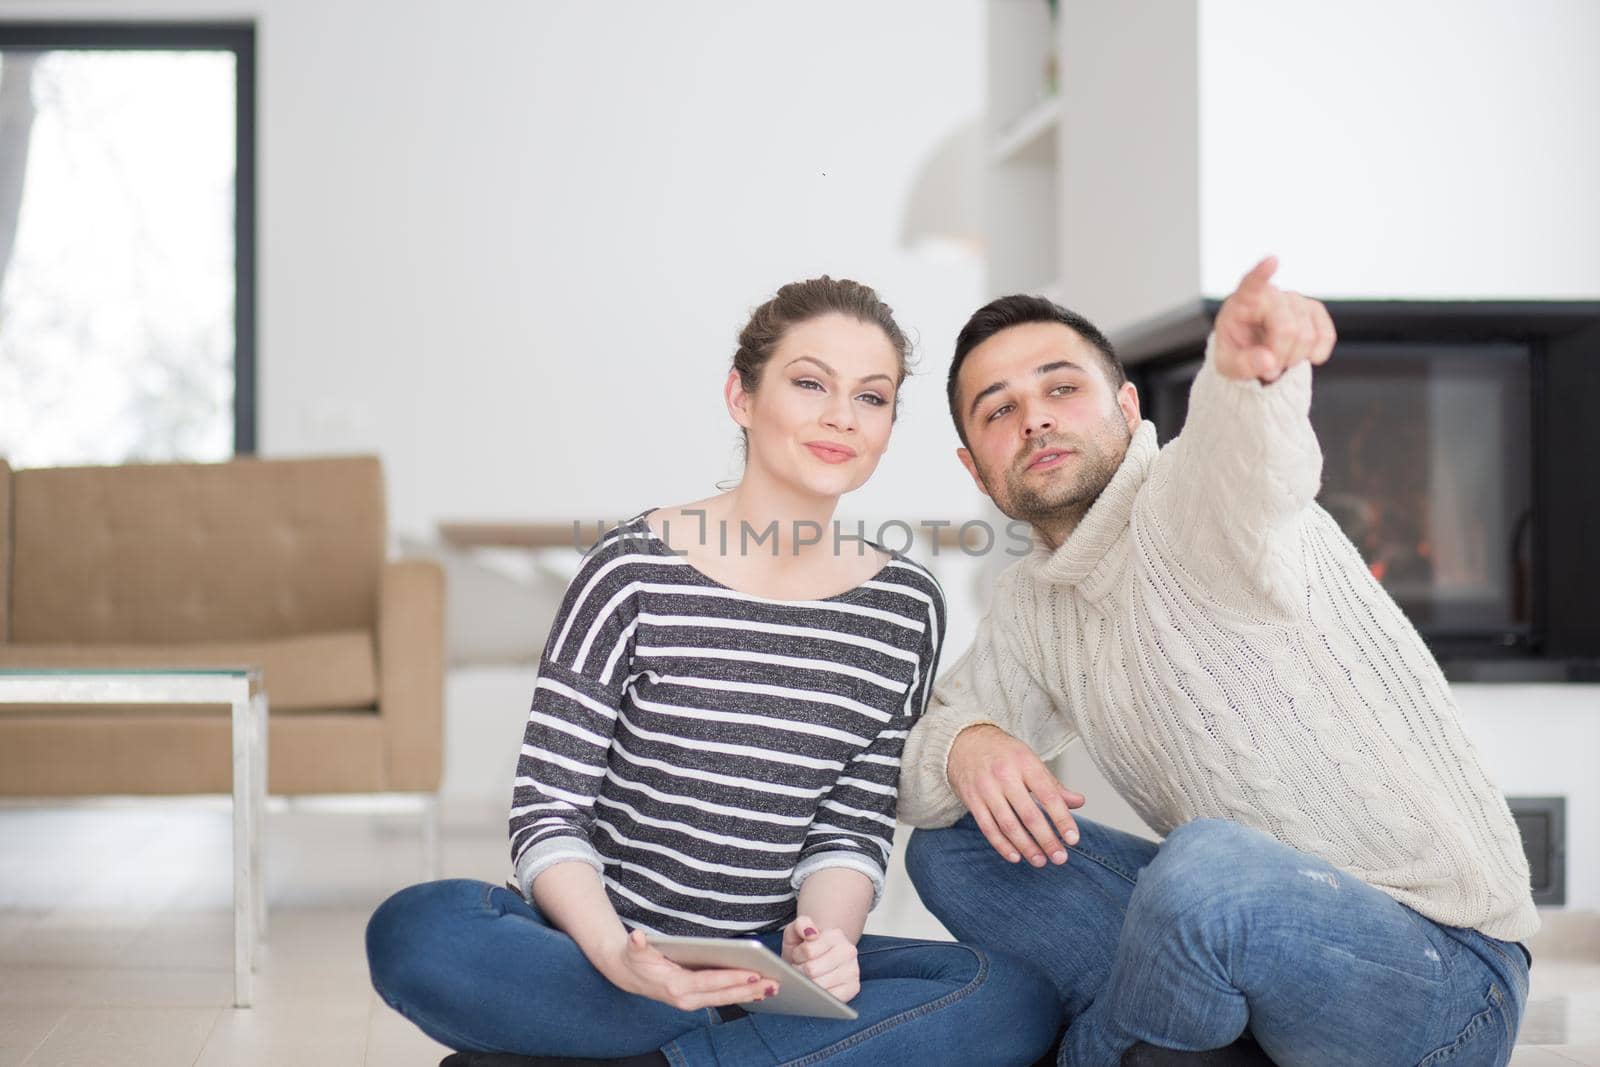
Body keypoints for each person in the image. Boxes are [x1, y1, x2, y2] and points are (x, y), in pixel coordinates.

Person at [366, 276, 1062, 1067]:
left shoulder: (905, 605)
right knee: (415, 928)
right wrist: (617, 952)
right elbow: (548, 811)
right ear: (742, 396)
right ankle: (717, 1045)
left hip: (765, 967)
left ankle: (650, 1055)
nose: (841, 415)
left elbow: (849, 826)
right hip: (603, 950)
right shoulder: (630, 569)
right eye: (809, 384)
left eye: (872, 398)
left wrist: (827, 943)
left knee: (1009, 993)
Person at [897, 258, 1538, 1067]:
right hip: (1257, 949)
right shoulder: (1033, 604)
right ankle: (1185, 1038)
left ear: (1128, 408)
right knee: (953, 846)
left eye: (1062, 389)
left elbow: (1248, 461)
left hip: (1444, 978)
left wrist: (1244, 376)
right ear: (976, 469)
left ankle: (1113, 1049)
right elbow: (918, 772)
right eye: (1000, 410)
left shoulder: (1184, 499)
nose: (1035, 419)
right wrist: (966, 742)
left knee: (1206, 870)